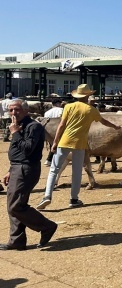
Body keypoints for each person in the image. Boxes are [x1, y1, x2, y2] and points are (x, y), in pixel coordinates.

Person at [37, 84, 121, 210]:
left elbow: (61, 125)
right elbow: (104, 122)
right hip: (80, 144)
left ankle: (47, 196)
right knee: (76, 172)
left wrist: (55, 142)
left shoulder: (68, 106)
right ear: (87, 96)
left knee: (54, 169)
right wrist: (115, 127)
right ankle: (74, 199)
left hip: (64, 141)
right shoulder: (91, 110)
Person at [1, 99, 58, 250]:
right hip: (17, 168)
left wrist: (15, 133)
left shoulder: (34, 127)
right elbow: (17, 152)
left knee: (16, 206)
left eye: (17, 110)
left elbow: (28, 149)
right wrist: (10, 170)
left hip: (26, 169)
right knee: (13, 205)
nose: (13, 113)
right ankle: (17, 241)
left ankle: (47, 226)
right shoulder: (18, 126)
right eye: (11, 110)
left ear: (26, 111)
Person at [43, 99, 65, 167]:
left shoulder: (47, 112)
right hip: (58, 128)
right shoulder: (61, 110)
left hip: (48, 130)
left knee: (52, 145)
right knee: (58, 145)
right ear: (58, 103)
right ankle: (50, 159)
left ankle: (51, 159)